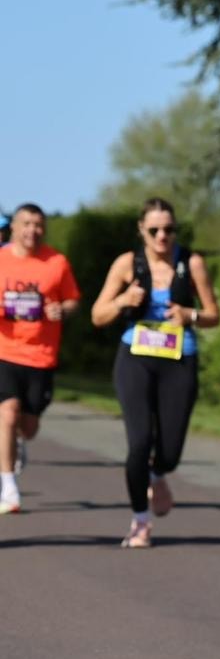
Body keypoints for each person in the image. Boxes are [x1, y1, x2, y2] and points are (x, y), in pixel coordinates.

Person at [89, 198, 220, 548]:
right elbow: (97, 315)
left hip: (179, 358)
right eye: (154, 230)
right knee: (138, 443)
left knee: (171, 449)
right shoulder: (126, 264)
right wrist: (122, 302)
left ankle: (158, 472)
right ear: (141, 231)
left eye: (169, 229)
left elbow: (213, 315)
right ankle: (140, 521)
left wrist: (190, 316)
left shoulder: (191, 263)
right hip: (135, 357)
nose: (162, 236)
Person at [0, 204, 81, 514]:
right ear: (14, 228)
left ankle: (19, 442)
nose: (31, 230)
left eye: (37, 224)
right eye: (26, 224)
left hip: (41, 356)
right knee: (7, 412)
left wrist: (62, 310)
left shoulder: (56, 262)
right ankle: (8, 487)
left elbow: (73, 300)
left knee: (29, 426)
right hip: (5, 351)